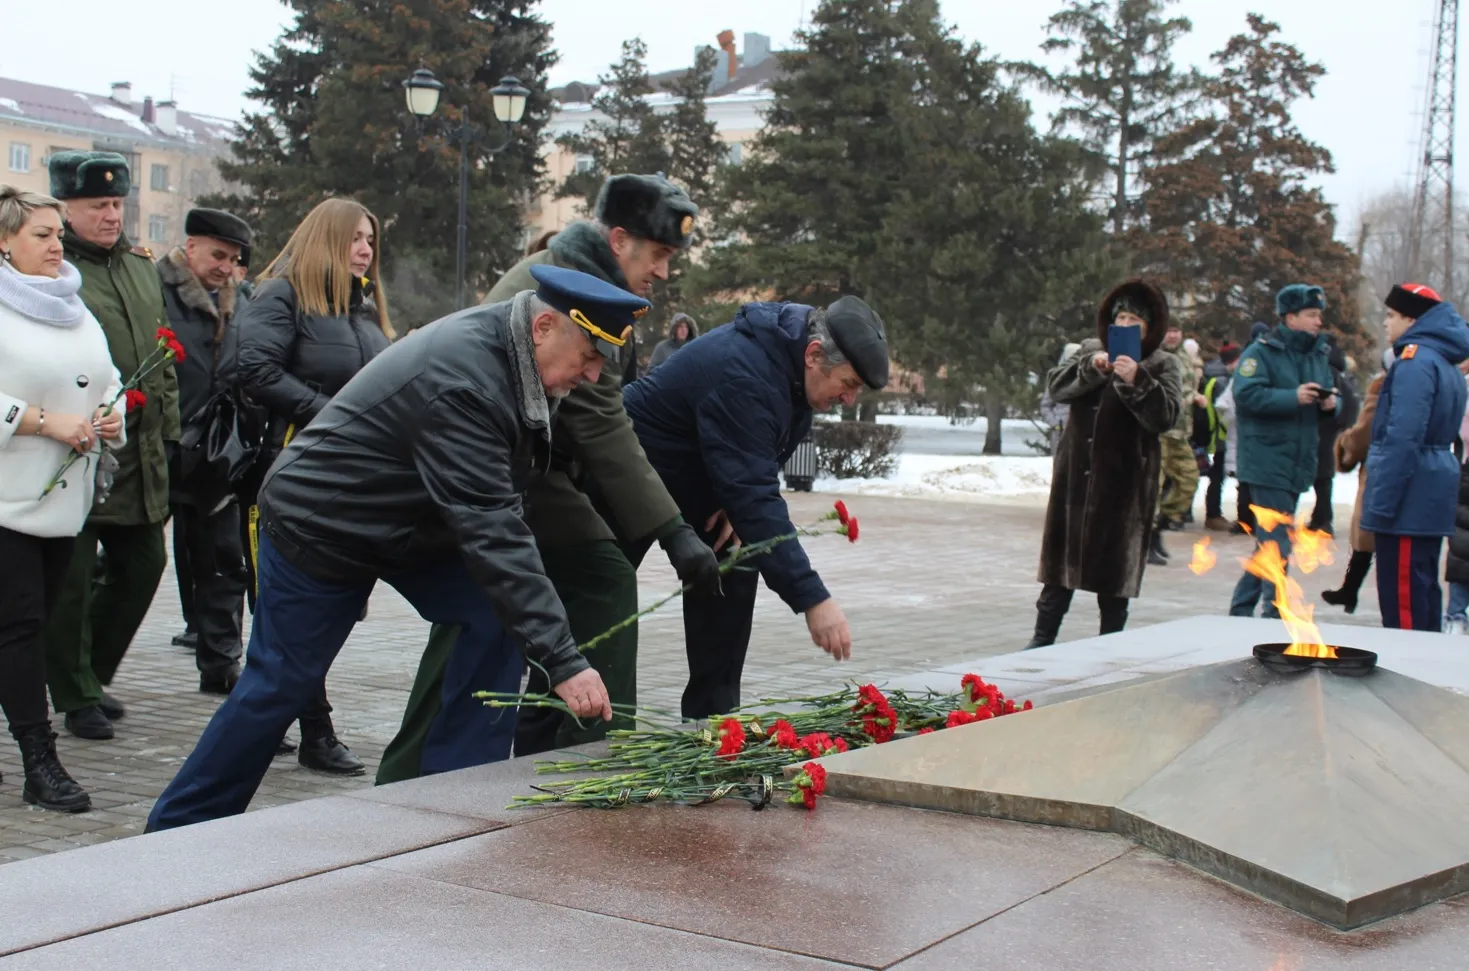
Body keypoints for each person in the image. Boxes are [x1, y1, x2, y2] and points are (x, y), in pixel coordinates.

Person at [145, 265, 626, 831]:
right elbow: (494, 529)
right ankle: (174, 832)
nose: (593, 374)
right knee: (280, 685)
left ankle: (457, 805)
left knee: (494, 615)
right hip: (321, 525)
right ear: (544, 327)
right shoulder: (466, 379)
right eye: (589, 356)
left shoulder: (521, 355)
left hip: (407, 525)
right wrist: (565, 661)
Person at [378, 173, 718, 783]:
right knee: (529, 593)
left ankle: (557, 744)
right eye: (659, 254)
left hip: (519, 465)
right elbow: (600, 420)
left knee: (508, 604)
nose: (664, 272)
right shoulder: (571, 290)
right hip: (483, 468)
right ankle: (593, 758)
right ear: (619, 239)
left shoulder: (588, 277)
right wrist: (673, 530)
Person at [622, 294, 887, 718]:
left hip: (699, 486)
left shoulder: (795, 376)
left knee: (734, 562)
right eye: (849, 383)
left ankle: (713, 725)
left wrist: (734, 496)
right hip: (626, 475)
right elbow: (756, 496)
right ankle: (582, 736)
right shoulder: (747, 371)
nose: (850, 399)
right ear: (814, 354)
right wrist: (813, 599)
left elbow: (755, 467)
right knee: (604, 610)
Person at [232, 198, 393, 774]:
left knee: (323, 608)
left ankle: (275, 714)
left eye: (370, 240)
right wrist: (333, 416)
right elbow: (255, 370)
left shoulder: (364, 308)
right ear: (325, 239)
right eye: (354, 238)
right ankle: (314, 730)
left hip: (351, 477)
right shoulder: (281, 295)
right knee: (288, 608)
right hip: (288, 472)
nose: (365, 250)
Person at [42, 152, 179, 741]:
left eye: (117, 204)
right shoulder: (53, 270)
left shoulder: (139, 267)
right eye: (98, 205)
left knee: (144, 564)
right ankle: (75, 695)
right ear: (66, 209)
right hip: (75, 445)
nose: (111, 215)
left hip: (137, 449)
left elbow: (161, 357)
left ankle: (90, 675)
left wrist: (170, 434)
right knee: (71, 580)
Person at [0, 186, 127, 811]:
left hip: (62, 503)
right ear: (4, 242)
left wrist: (110, 413)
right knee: (20, 628)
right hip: (5, 500)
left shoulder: (73, 304)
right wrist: (44, 422)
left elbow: (109, 378)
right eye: (41, 235)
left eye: (57, 234)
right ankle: (38, 760)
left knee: (24, 626)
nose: (57, 246)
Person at [1027, 280, 1181, 648]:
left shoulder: (1162, 363)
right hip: (1075, 479)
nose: (1125, 326)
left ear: (1149, 327)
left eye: (1135, 321)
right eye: (1121, 318)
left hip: (1124, 483)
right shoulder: (1089, 350)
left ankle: (1109, 645)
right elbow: (1056, 388)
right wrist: (1092, 369)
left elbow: (1167, 418)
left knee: (1115, 573)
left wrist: (1136, 380)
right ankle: (1042, 638)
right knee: (1060, 567)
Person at [158, 208, 253, 693]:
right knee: (131, 561)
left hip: (216, 451)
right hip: (160, 442)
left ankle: (220, 665)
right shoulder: (155, 289)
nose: (225, 267)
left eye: (233, 259)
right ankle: (85, 674)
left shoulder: (242, 301)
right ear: (190, 246)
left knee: (224, 561)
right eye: (218, 255)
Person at [1361, 283, 1469, 631]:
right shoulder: (1443, 360)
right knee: (1422, 590)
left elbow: (1403, 437)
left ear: (1412, 319)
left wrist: (1382, 504)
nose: (1386, 322)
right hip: (1429, 483)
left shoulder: (1415, 362)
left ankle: (1408, 665)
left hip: (1409, 494)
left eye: (1392, 315)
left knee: (1404, 600)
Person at [1228, 284, 1337, 618]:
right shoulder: (1261, 353)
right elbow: (1246, 394)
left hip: (1297, 462)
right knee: (1278, 542)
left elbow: (1333, 393)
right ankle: (1273, 616)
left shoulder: (1317, 353)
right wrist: (1293, 397)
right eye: (1311, 314)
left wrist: (1330, 403)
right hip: (1267, 461)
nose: (1319, 321)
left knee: (1270, 542)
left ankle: (1240, 610)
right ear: (1290, 317)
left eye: (1319, 315)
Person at [1320, 361, 1387, 615]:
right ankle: (1350, 589)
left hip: (1382, 466)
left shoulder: (1383, 386)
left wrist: (1344, 445)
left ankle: (1351, 590)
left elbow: (1364, 432)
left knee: (1367, 532)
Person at [1305, 337, 1359, 534]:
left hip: (1324, 429)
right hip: (1331, 430)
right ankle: (1320, 518)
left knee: (1322, 477)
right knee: (1323, 477)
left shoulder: (1328, 372)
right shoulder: (1339, 373)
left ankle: (1323, 520)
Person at [1156, 321, 1204, 533]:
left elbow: (1188, 385)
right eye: (1168, 331)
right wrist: (1191, 397)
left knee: (1189, 478)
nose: (1172, 335)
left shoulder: (1185, 356)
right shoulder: (1153, 356)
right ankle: (1149, 525)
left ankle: (1169, 515)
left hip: (1180, 431)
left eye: (1176, 331)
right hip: (1159, 430)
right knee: (1154, 483)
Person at [1197, 342, 1241, 530]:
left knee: (1217, 474)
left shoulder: (1213, 376)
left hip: (1215, 434)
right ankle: (1213, 514)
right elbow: (1226, 411)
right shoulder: (1223, 381)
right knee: (1218, 475)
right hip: (1223, 436)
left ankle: (1213, 513)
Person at [1442, 360, 1469, 633]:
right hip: (1464, 479)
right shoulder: (1462, 386)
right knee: (1462, 548)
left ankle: (1456, 615)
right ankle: (1456, 615)